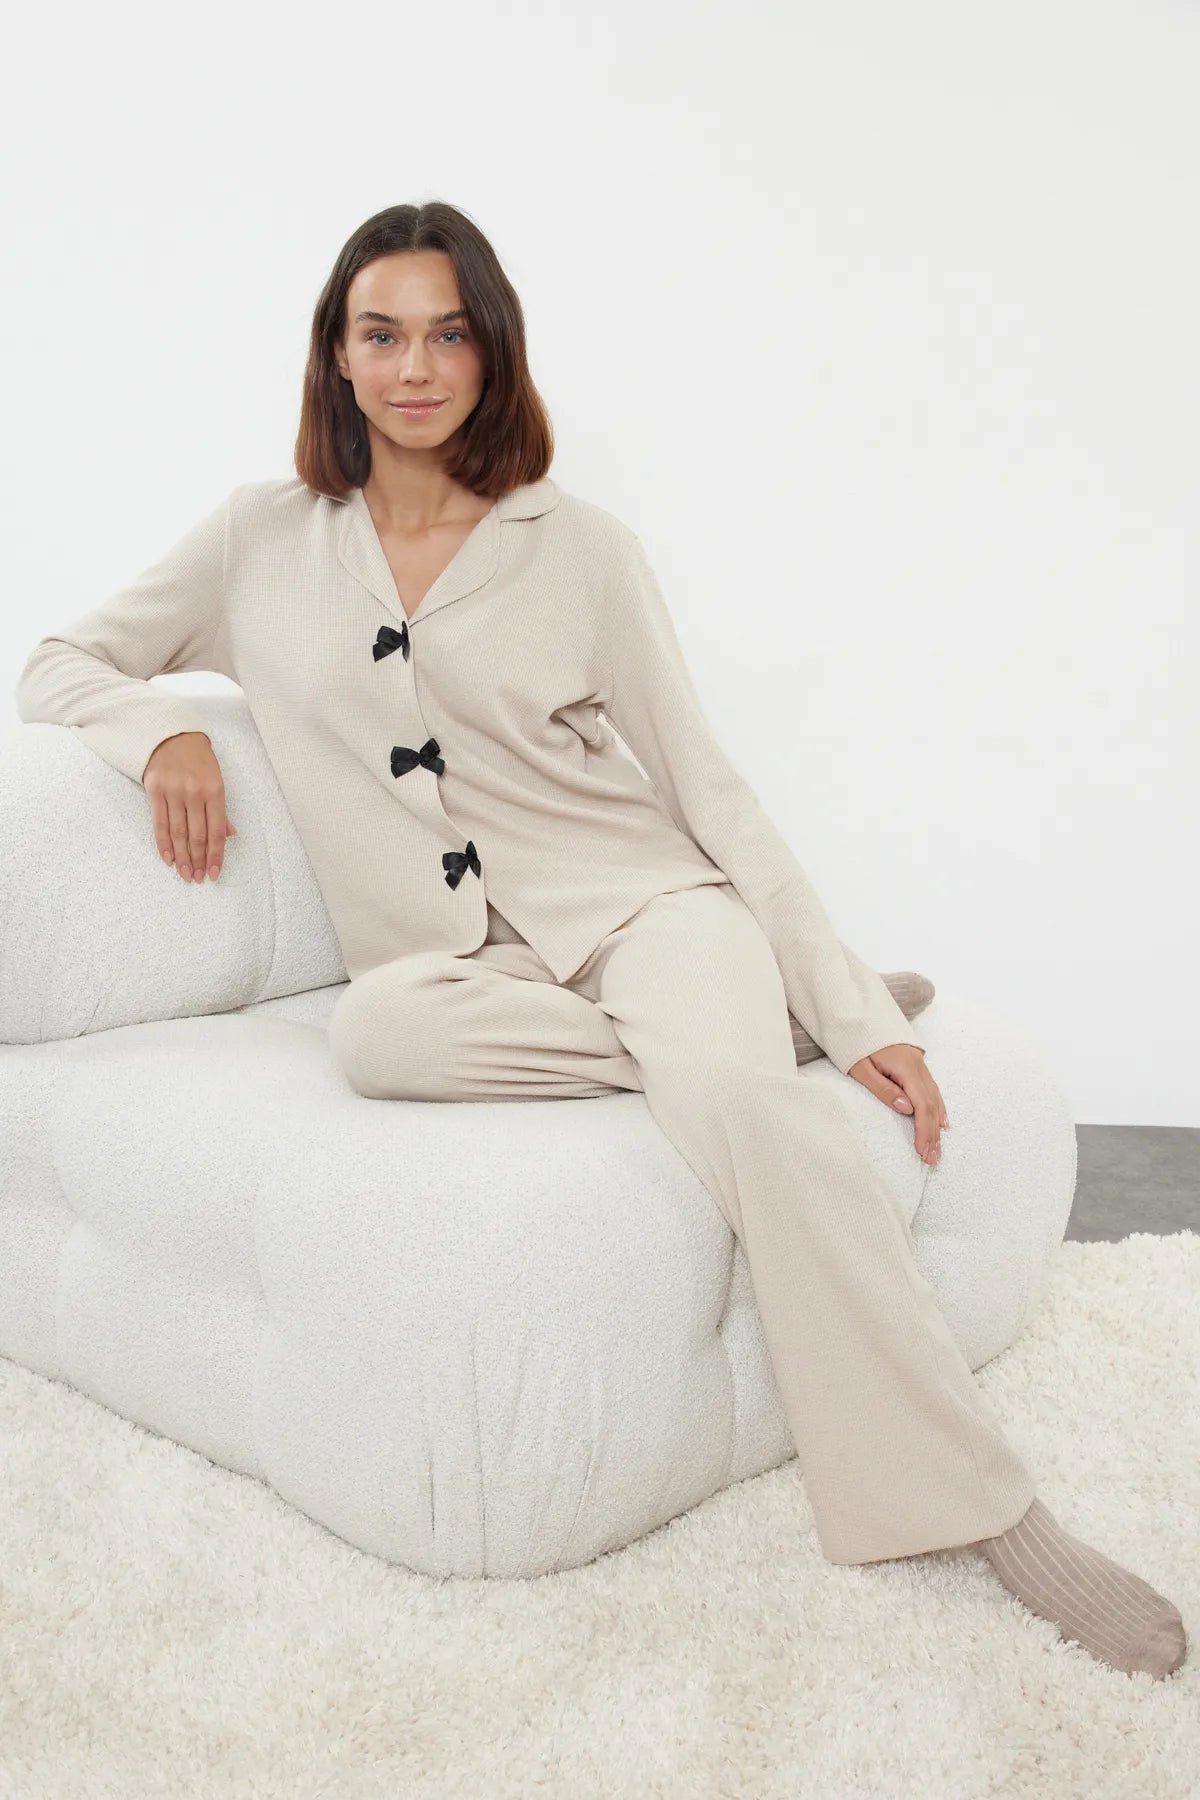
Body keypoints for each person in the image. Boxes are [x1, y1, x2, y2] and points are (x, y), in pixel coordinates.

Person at [14, 201, 1186, 1681]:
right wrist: (162, 734)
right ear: (337, 355)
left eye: (449, 333)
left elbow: (707, 785)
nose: (415, 366)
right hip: (456, 973)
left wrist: (852, 1007)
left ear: (492, 353)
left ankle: (992, 1510)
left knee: (752, 1112)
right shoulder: (259, 540)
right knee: (375, 1037)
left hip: (643, 908)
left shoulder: (581, 550)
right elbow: (61, 661)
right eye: (382, 333)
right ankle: (739, 1028)